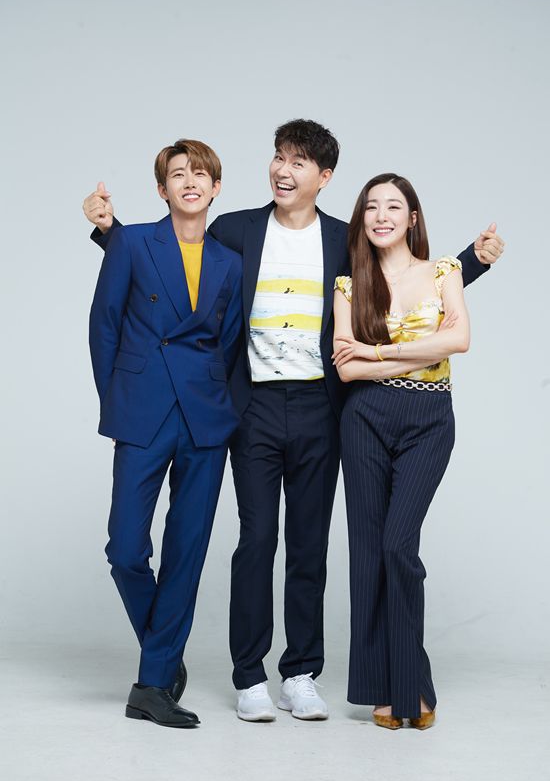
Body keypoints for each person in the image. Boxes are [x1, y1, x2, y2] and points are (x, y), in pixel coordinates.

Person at [83, 120, 504, 723]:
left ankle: (301, 672)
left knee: (309, 544)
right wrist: (110, 233)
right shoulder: (235, 229)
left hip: (321, 408)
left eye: (299, 162)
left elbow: (400, 267)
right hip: (249, 406)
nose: (283, 170)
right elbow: (173, 260)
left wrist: (471, 263)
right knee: (255, 540)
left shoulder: (343, 239)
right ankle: (249, 675)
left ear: (323, 177)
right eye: (278, 157)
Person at [333, 173, 496, 730]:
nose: (381, 216)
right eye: (371, 207)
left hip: (429, 419)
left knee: (398, 546)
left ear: (412, 218)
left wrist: (376, 351)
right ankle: (389, 690)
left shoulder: (444, 271)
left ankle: (410, 682)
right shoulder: (349, 285)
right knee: (368, 554)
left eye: (393, 207)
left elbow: (459, 341)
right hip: (364, 420)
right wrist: (416, 349)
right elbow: (346, 369)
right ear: (362, 219)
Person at [89, 139, 242, 728]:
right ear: (162, 189)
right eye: (178, 174)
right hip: (143, 410)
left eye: (200, 174)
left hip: (204, 419)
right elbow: (104, 326)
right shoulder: (131, 243)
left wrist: (222, 410)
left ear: (216, 187)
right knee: (126, 549)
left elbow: (229, 344)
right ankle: (164, 652)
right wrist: (118, 402)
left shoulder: (229, 261)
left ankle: (151, 686)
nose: (190, 182)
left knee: (186, 551)